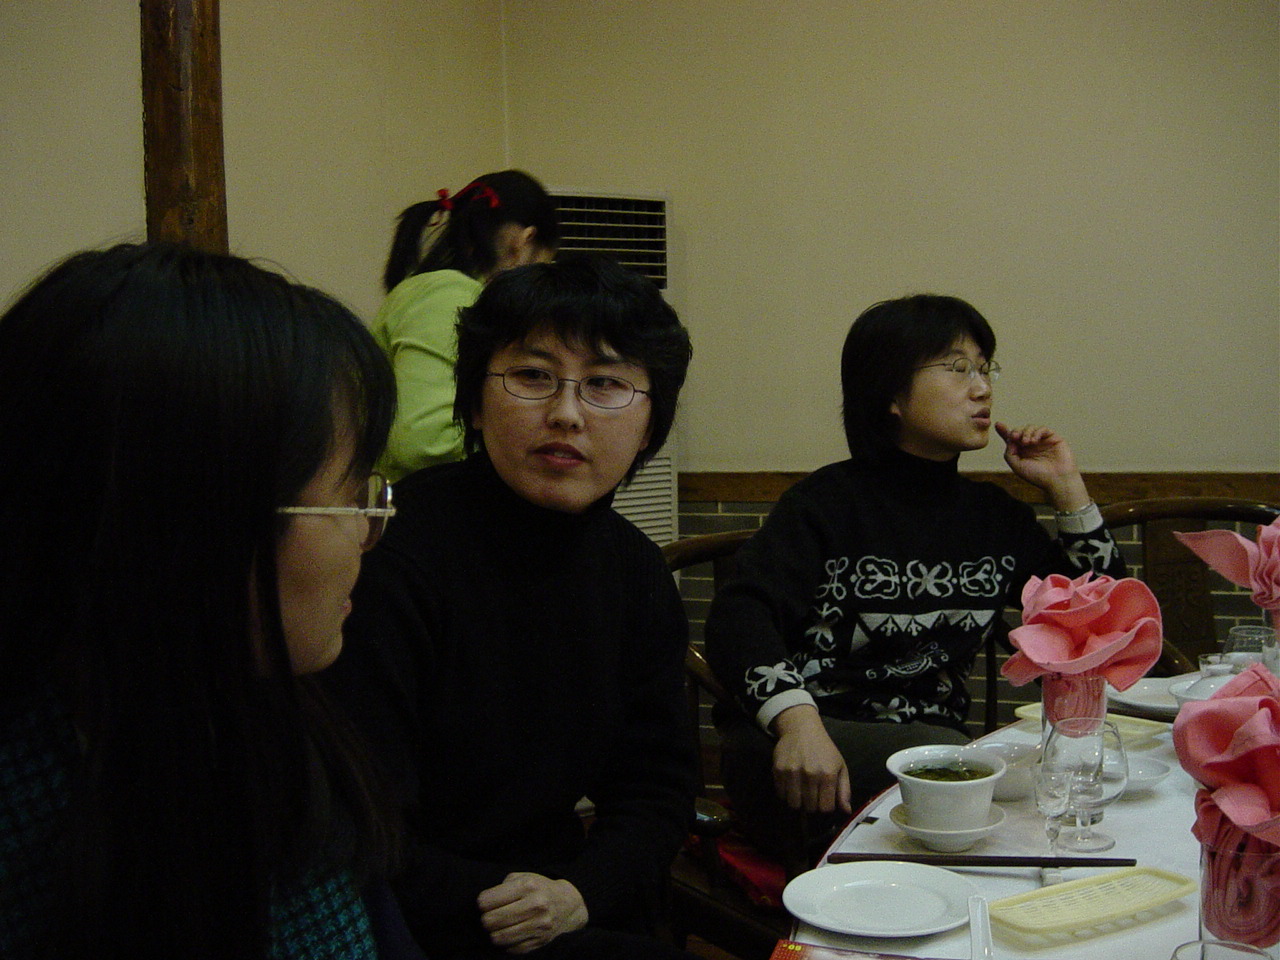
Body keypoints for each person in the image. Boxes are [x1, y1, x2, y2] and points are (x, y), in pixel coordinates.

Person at [0, 243, 410, 959]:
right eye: (350, 497)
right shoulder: (32, 803)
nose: (368, 534)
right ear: (194, 525)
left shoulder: (264, 720)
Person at [324, 255, 700, 959]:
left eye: (606, 384)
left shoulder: (634, 569)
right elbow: (362, 824)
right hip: (408, 921)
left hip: (566, 899)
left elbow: (656, 786)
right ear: (474, 401)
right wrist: (518, 904)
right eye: (532, 376)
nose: (566, 413)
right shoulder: (391, 557)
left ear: (652, 424)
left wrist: (580, 894)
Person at [704, 293, 1126, 857]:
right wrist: (797, 721)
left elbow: (1102, 620)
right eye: (957, 368)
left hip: (937, 759)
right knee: (963, 769)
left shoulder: (993, 518)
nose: (982, 388)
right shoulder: (824, 505)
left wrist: (1067, 488)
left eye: (985, 369)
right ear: (891, 393)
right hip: (803, 750)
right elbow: (738, 617)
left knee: (1029, 781)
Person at [374, 169, 561, 482]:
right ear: (524, 242)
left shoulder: (438, 291)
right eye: (541, 265)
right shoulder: (449, 296)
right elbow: (423, 443)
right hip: (419, 500)